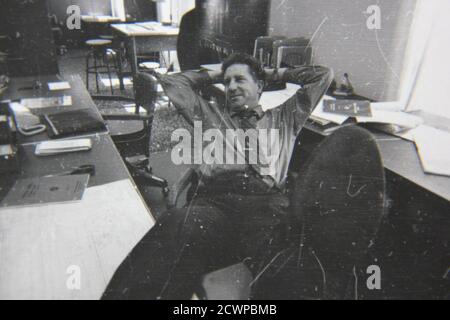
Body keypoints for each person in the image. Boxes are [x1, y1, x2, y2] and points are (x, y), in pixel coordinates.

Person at [102, 53, 333, 300]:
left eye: (240, 80)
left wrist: (270, 72)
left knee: (289, 263)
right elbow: (173, 82)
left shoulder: (285, 117)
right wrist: (216, 74)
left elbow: (323, 76)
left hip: (265, 204)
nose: (231, 86)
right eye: (227, 81)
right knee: (173, 232)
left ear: (260, 85)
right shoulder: (210, 115)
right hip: (216, 201)